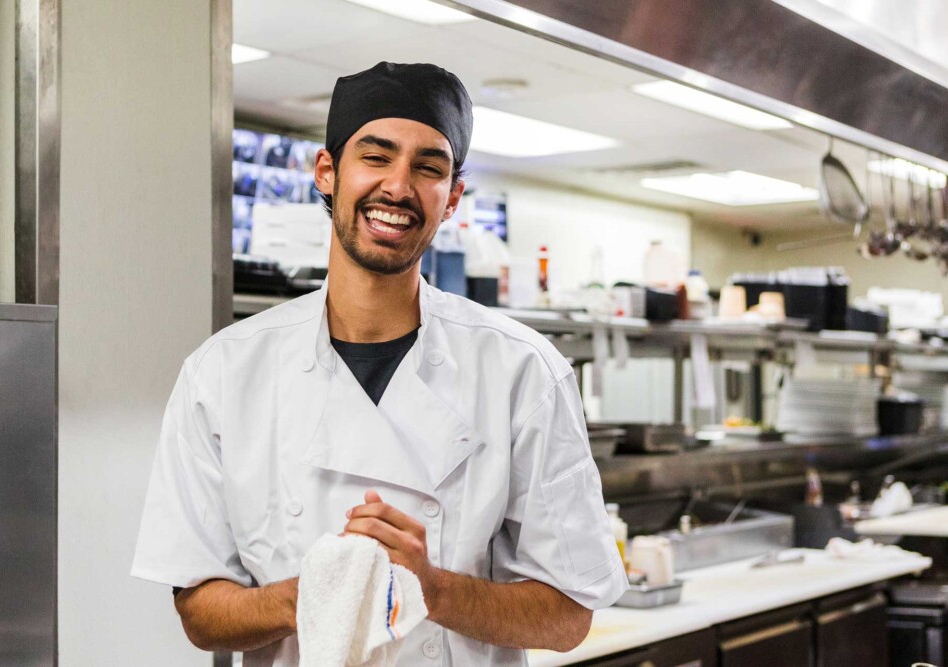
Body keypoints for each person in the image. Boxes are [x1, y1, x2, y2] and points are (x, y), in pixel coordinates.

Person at [132, 61, 627, 666]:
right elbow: (200, 612)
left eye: (428, 168)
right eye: (376, 155)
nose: (399, 186)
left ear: (452, 200)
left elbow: (568, 617)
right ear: (327, 173)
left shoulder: (523, 371)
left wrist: (432, 587)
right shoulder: (223, 372)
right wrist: (316, 594)